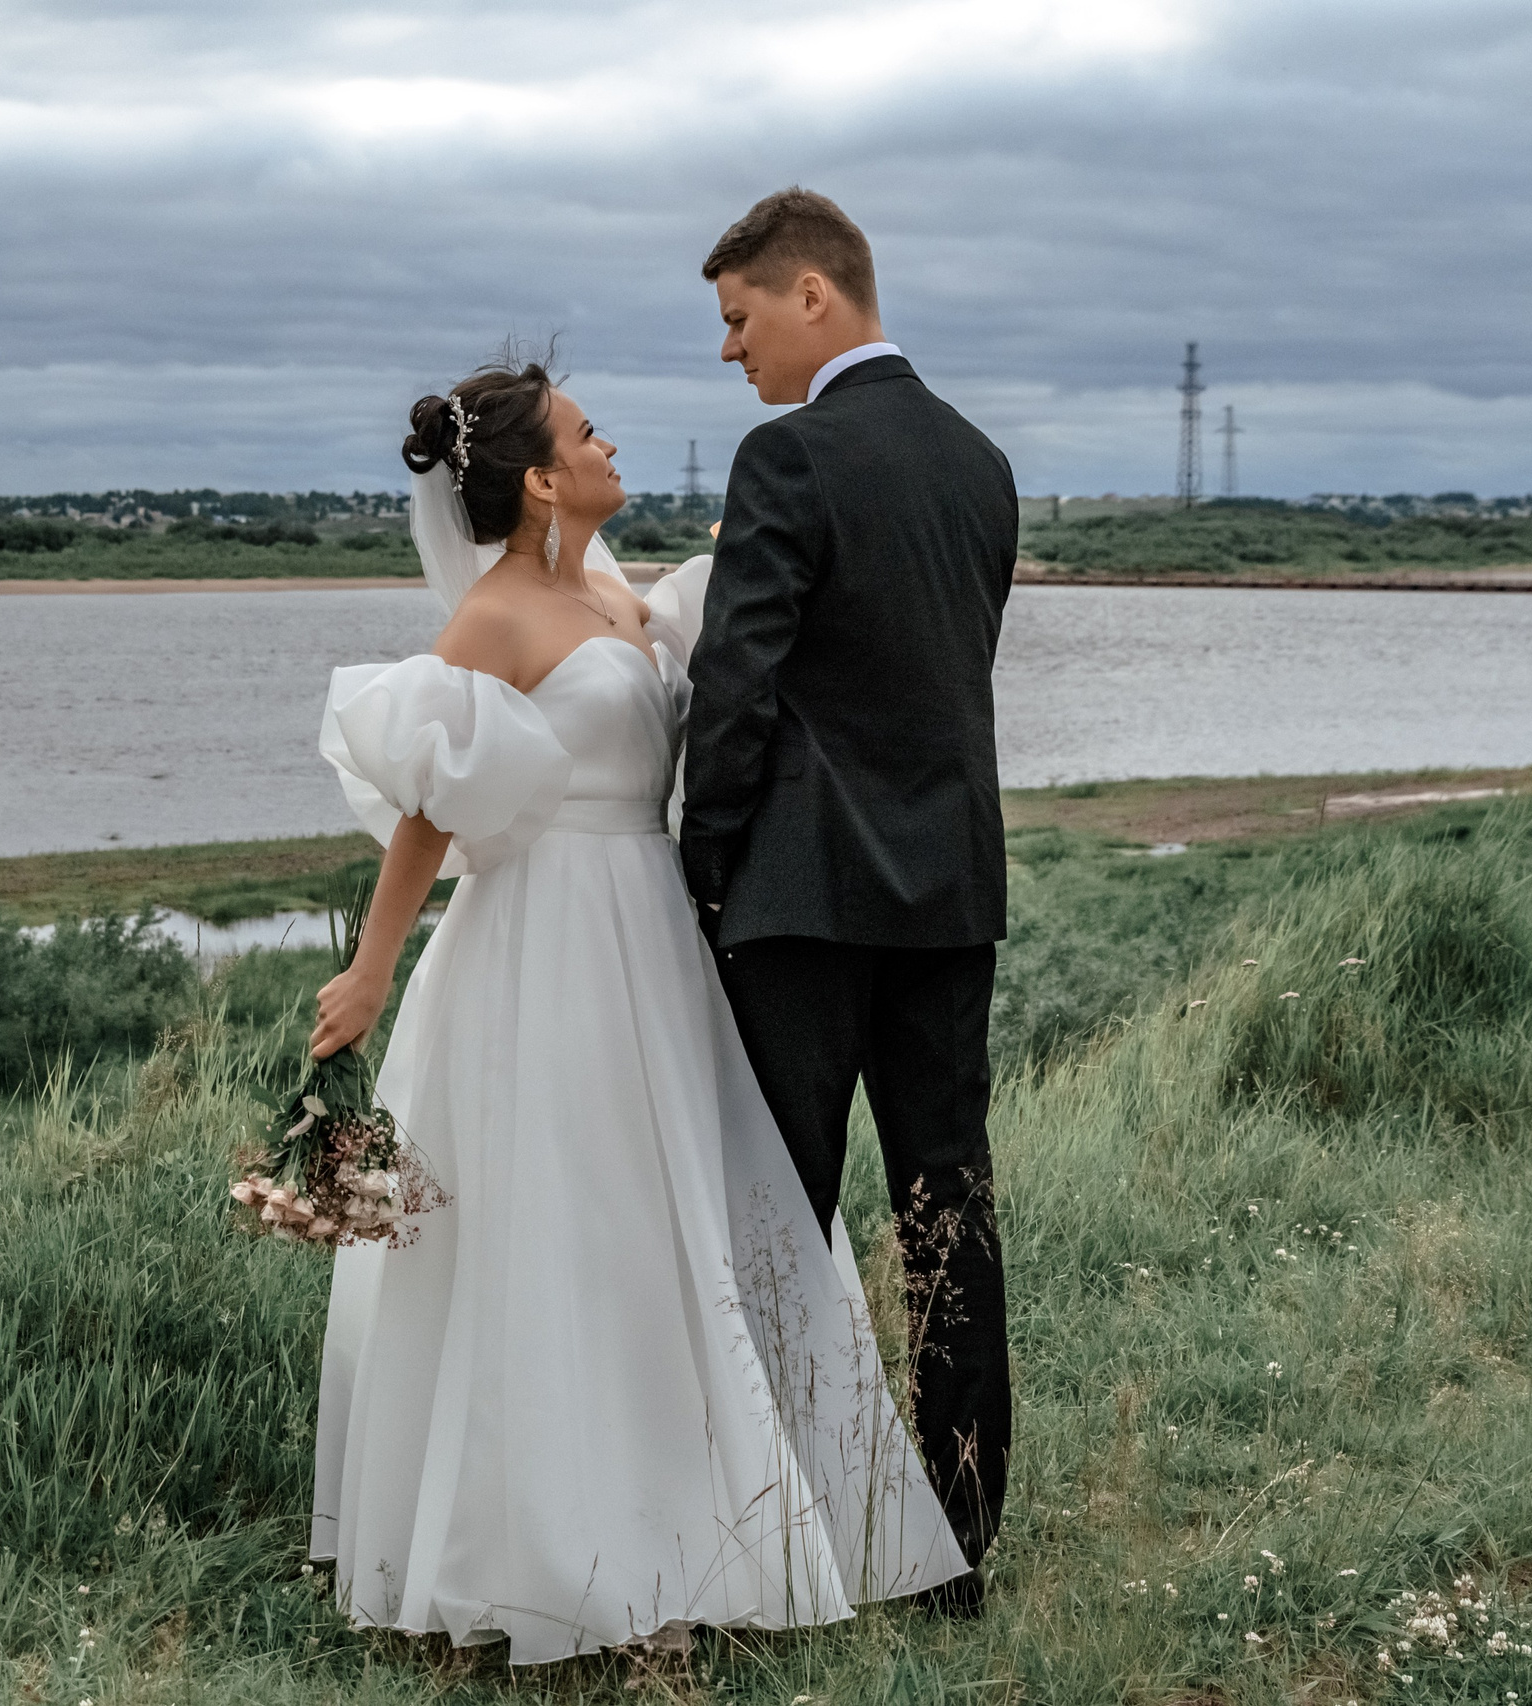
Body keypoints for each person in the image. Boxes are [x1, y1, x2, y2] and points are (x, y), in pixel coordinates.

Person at [303, 350, 968, 1665]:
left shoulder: (610, 588)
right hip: (542, 945)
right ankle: (561, 1559)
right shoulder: (494, 616)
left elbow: (707, 665)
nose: (613, 446)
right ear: (542, 479)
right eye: (589, 434)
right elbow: (432, 808)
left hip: (655, 939)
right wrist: (371, 970)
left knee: (677, 1230)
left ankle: (706, 1520)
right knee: (564, 1231)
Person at [682, 187, 1020, 1616]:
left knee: (784, 1219)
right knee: (947, 1206)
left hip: (803, 909)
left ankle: (785, 1532)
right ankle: (954, 1543)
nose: (731, 353)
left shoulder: (789, 458)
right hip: (948, 894)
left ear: (814, 295)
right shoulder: (980, 462)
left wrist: (705, 873)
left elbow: (737, 687)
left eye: (738, 319)